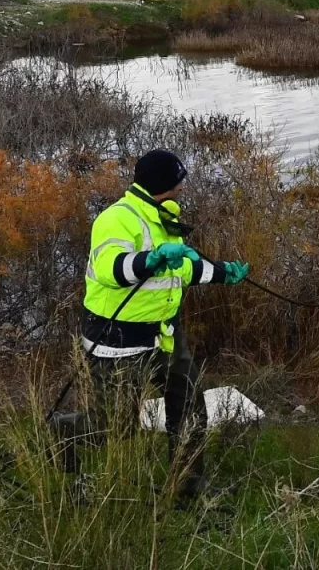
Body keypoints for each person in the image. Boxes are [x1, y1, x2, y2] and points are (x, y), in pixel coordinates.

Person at [51, 149, 250, 500]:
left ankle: (189, 485)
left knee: (189, 407)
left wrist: (221, 272)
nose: (182, 189)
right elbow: (112, 269)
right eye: (178, 183)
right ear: (164, 185)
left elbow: (179, 269)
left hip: (165, 335)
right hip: (117, 340)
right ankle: (61, 434)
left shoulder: (164, 219)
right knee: (113, 425)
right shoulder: (115, 219)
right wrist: (151, 258)